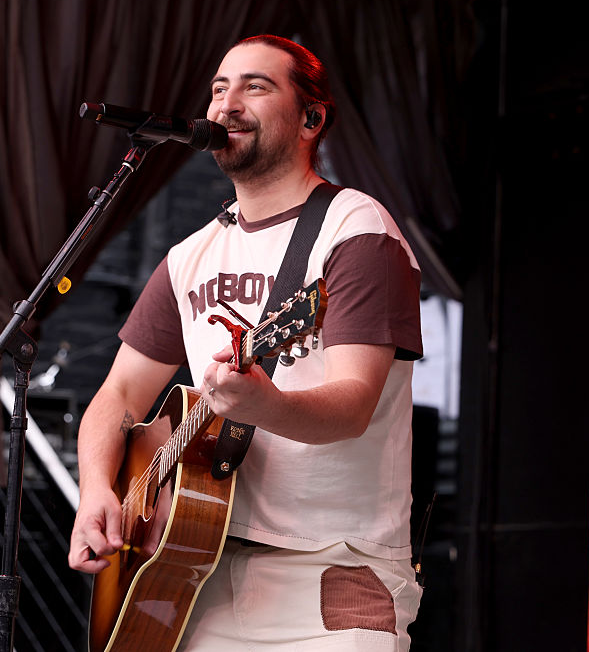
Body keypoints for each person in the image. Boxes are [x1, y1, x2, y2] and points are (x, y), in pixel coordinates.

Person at [68, 34, 424, 651]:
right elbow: (119, 394)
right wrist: (96, 489)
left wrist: (266, 406)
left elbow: (354, 405)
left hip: (329, 576)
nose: (226, 104)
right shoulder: (190, 255)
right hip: (187, 575)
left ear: (311, 118)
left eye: (255, 86)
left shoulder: (355, 229)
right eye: (217, 89)